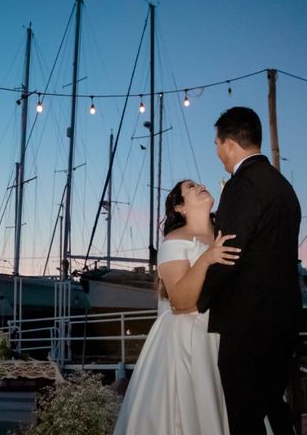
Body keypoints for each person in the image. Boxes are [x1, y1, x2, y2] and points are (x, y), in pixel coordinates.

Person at [197, 106, 302, 435]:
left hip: (248, 325)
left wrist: (199, 300)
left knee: (243, 417)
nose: (217, 152)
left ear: (229, 143)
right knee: (273, 406)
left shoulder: (241, 186)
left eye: (216, 144)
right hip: (284, 322)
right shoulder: (284, 188)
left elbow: (228, 254)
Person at [112, 179, 240, 435]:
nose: (200, 185)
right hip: (190, 341)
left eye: (200, 183)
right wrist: (206, 258)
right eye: (191, 187)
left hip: (226, 335)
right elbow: (180, 303)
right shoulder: (174, 241)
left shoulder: (223, 233)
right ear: (180, 207)